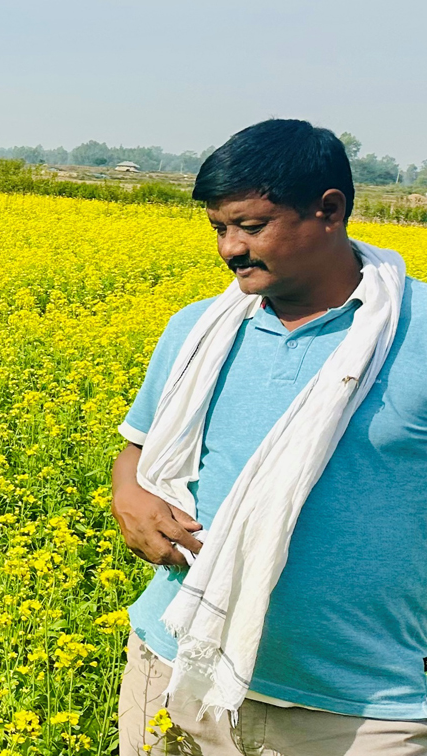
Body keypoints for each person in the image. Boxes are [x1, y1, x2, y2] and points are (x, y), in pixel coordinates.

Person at [112, 119, 427, 755]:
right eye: (218, 229)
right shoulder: (198, 329)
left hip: (359, 708)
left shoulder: (416, 337)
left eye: (251, 226)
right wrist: (131, 499)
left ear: (329, 210)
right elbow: (139, 450)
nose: (229, 248)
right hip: (174, 664)